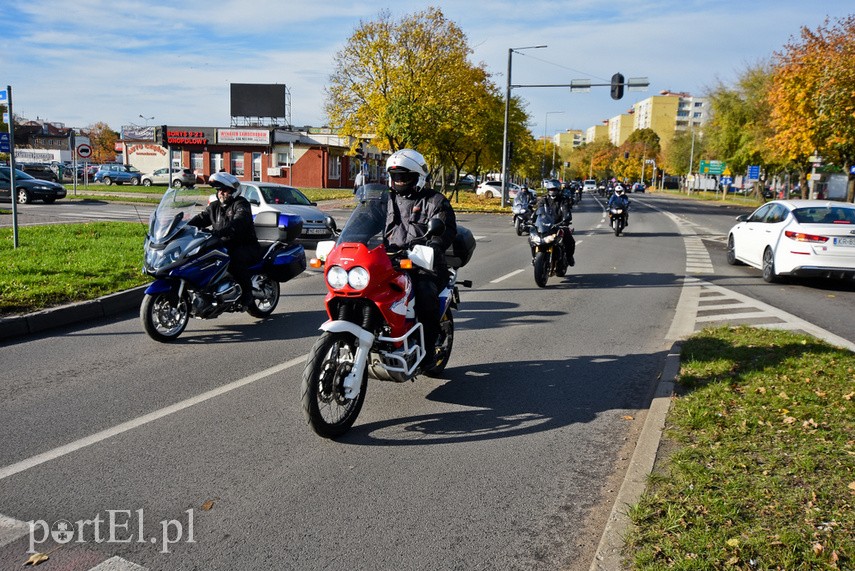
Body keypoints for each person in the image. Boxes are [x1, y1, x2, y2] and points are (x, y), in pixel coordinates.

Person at [383, 149, 457, 370]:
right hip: (388, 261)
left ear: (418, 176)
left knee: (425, 293)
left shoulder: (435, 201)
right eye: (395, 176)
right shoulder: (384, 200)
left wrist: (432, 247)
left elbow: (444, 231)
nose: (399, 180)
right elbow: (365, 222)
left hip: (424, 264)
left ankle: (427, 349)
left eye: (404, 176)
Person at [188, 171, 261, 308]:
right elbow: (202, 218)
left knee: (234, 260)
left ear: (233, 191)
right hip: (222, 243)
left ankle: (247, 294)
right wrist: (185, 226)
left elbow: (240, 220)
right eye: (219, 190)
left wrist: (225, 230)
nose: (221, 193)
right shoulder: (214, 206)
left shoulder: (241, 204)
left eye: (225, 190)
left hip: (244, 245)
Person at [532, 179, 576, 266]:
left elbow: (566, 210)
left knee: (570, 241)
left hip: (559, 225)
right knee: (532, 239)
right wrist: (532, 219)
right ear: (548, 190)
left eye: (554, 189)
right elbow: (537, 212)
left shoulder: (563, 200)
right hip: (545, 225)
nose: (552, 191)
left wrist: (566, 219)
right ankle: (534, 258)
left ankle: (569, 257)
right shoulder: (543, 200)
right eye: (551, 189)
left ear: (558, 190)